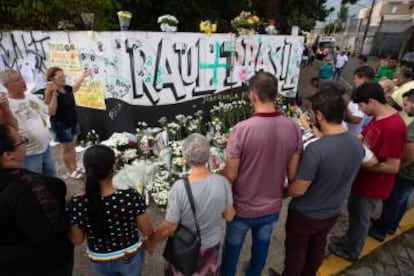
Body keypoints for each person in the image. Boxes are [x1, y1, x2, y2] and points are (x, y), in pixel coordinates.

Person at [275, 83, 377, 276]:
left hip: (305, 214)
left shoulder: (316, 150)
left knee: (296, 254)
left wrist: (281, 194)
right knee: (316, 248)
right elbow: (370, 160)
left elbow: (298, 189)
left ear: (320, 116)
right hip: (331, 211)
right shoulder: (356, 145)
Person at [220, 72, 302, 276]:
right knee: (261, 249)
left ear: (253, 96)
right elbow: (293, 176)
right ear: (276, 95)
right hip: (272, 207)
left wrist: (214, 177)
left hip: (242, 208)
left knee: (231, 251)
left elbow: (230, 175)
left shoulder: (241, 130)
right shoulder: (292, 128)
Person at [329, 82, 407, 262]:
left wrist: (366, 164)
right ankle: (348, 240)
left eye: (362, 106)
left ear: (372, 102)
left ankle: (352, 251)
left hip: (373, 186)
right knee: (354, 213)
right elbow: (364, 136)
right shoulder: (378, 117)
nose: (361, 111)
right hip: (361, 179)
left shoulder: (394, 126)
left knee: (361, 220)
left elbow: (393, 166)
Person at [146, 134, 235, 275]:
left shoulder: (179, 187)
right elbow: (229, 216)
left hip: (185, 247)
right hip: (212, 245)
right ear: (208, 155)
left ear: (186, 158)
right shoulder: (222, 182)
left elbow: (169, 227)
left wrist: (151, 241)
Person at [67, 144, 153, 275]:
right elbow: (147, 230)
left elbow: (77, 240)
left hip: (99, 258)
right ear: (113, 167)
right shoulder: (129, 196)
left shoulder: (78, 203)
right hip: (128, 255)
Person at [0, 123, 73, 275]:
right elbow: (49, 235)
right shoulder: (31, 188)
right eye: (22, 140)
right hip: (34, 266)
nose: (24, 143)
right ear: (8, 155)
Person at [369, 89, 414, 241]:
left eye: (407, 104)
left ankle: (380, 229)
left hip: (407, 173)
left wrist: (397, 167)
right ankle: (391, 225)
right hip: (410, 175)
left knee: (394, 200)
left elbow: (409, 154)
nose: (405, 108)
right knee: (402, 199)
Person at [0, 69, 55, 176]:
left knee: (51, 177)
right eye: (17, 80)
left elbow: (48, 111)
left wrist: (50, 93)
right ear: (7, 86)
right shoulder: (6, 105)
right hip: (29, 154)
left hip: (45, 148)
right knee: (35, 183)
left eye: (21, 78)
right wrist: (5, 110)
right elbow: (9, 130)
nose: (22, 82)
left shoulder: (31, 96)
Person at [44, 67, 89, 179]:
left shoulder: (66, 88)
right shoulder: (49, 92)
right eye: (60, 77)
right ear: (51, 79)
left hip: (73, 121)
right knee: (66, 149)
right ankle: (71, 170)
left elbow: (75, 87)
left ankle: (75, 167)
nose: (63, 79)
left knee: (73, 146)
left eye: (64, 76)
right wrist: (54, 93)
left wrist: (83, 76)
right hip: (61, 124)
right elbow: (51, 111)